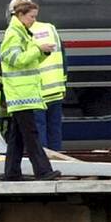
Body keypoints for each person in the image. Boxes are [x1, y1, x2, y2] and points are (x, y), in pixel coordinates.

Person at [0, 0, 62, 181]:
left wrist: (42, 52)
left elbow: (27, 60)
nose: (33, 20)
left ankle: (11, 172)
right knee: (31, 134)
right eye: (31, 17)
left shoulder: (22, 32)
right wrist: (37, 49)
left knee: (16, 136)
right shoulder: (13, 34)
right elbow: (15, 59)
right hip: (20, 93)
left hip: (22, 92)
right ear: (19, 14)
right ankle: (43, 171)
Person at [30, 14, 67, 151]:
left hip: (37, 92)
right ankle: (57, 162)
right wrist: (63, 83)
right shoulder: (50, 28)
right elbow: (63, 57)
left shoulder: (23, 33)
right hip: (55, 90)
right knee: (54, 130)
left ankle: (43, 166)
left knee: (39, 132)